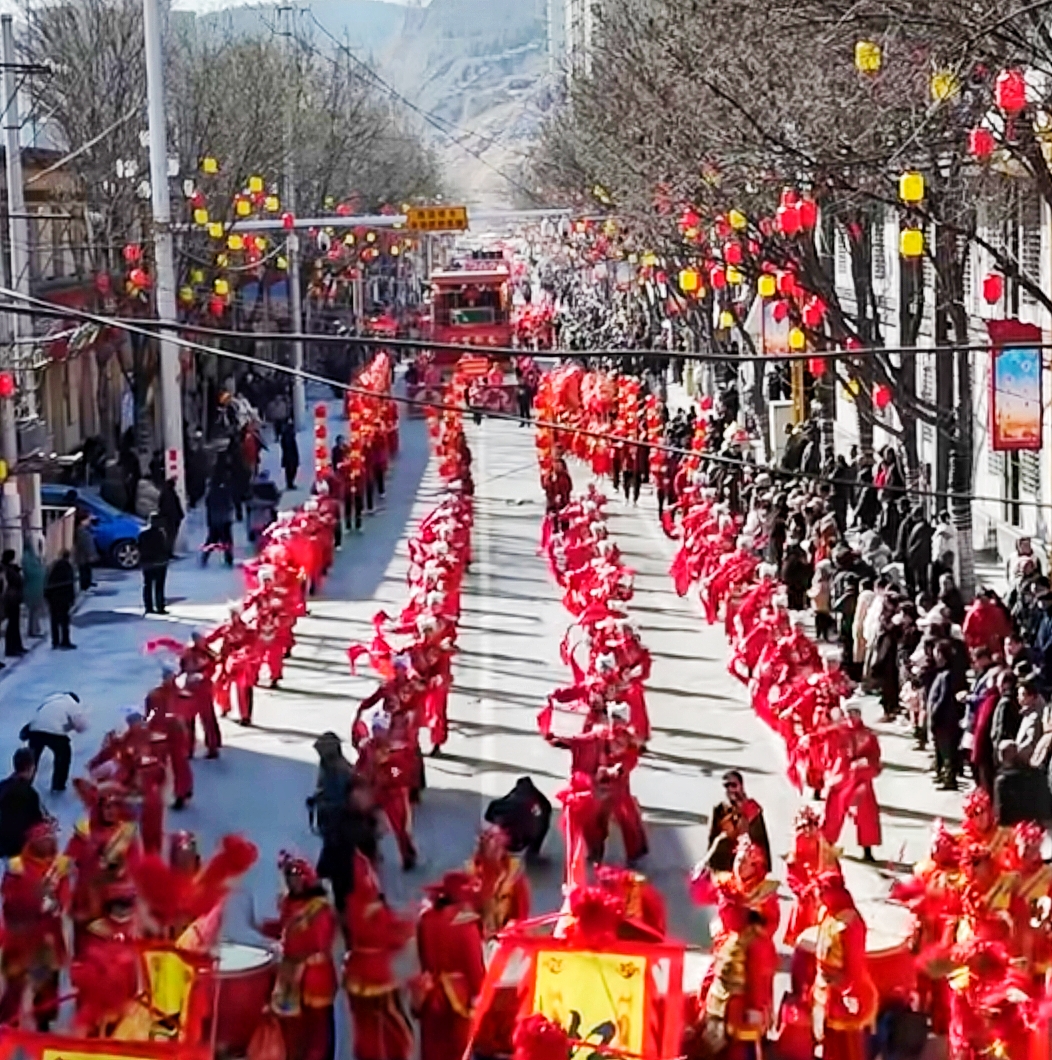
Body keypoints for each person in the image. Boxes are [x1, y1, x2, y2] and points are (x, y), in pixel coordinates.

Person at [256, 852, 339, 1060]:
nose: (291, 882)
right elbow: (285, 927)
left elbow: (319, 943)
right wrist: (264, 927)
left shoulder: (319, 909)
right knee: (296, 1032)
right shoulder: (289, 903)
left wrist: (293, 952)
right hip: (292, 976)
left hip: (315, 978)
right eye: (288, 877)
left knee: (318, 1032)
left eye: (295, 877)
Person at [0, 821, 70, 1031]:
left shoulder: (59, 867)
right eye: (42, 840)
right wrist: (35, 902)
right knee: (16, 982)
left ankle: (44, 1020)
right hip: (22, 935)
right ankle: (8, 1022)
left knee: (46, 982)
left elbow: (65, 893)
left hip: (47, 936)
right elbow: (9, 898)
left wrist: (58, 904)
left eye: (51, 839)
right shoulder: (17, 868)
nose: (48, 843)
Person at [413, 871, 485, 1060]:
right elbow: (474, 969)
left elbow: (423, 959)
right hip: (457, 1000)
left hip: (430, 996)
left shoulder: (426, 920)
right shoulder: (466, 926)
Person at [316, 775, 378, 917]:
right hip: (346, 884)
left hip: (361, 888)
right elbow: (330, 849)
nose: (366, 799)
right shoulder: (342, 821)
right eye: (361, 794)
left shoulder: (368, 820)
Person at [705, 769, 771, 873]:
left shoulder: (753, 809)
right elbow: (712, 839)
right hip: (724, 867)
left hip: (748, 866)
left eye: (734, 785)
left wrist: (764, 866)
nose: (731, 789)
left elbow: (762, 840)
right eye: (727, 786)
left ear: (741, 786)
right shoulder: (720, 810)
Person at [21, 691, 88, 793]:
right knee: (63, 755)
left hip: (35, 730)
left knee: (32, 759)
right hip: (55, 732)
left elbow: (38, 714)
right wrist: (69, 726)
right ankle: (58, 786)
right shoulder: (72, 704)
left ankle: (23, 784)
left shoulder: (50, 699)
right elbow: (81, 727)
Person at [0, 749, 45, 858]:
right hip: (18, 847)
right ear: (32, 767)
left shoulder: (2, 786)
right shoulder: (30, 793)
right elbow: (37, 824)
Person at [43, 550, 76, 650]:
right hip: (63, 598)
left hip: (53, 598)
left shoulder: (53, 568)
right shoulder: (68, 568)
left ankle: (55, 641)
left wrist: (47, 597)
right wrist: (72, 599)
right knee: (64, 621)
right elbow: (70, 584)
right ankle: (65, 641)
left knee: (54, 620)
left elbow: (48, 583)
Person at [139, 514, 169, 615]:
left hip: (147, 563)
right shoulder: (161, 534)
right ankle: (160, 607)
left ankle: (148, 607)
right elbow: (165, 548)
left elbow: (139, 548)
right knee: (159, 586)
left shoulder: (143, 534)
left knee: (147, 585)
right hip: (160, 563)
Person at [204, 474, 236, 566]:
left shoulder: (211, 494)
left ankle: (204, 558)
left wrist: (209, 522)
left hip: (214, 520)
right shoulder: (226, 492)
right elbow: (230, 505)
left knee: (211, 540)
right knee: (227, 541)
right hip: (225, 520)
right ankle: (229, 559)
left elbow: (208, 507)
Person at [2, 548, 25, 657]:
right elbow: (15, 582)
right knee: (12, 625)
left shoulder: (10, 568)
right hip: (10, 600)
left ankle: (17, 646)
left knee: (15, 624)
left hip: (14, 598)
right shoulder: (6, 570)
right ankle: (11, 649)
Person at [21, 539, 45, 639]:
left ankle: (36, 628)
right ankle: (33, 630)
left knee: (36, 610)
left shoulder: (32, 557)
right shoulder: (27, 558)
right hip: (33, 588)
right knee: (34, 610)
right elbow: (30, 571)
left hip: (36, 587)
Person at [157, 477, 185, 558]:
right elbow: (173, 506)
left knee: (170, 536)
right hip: (171, 518)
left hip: (170, 518)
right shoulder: (169, 493)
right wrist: (179, 515)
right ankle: (168, 553)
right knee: (171, 536)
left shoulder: (165, 493)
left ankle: (168, 552)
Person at [73, 513, 98, 592]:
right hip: (83, 555)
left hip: (85, 555)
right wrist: (91, 554)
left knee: (87, 569)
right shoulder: (81, 531)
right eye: (87, 520)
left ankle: (87, 583)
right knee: (83, 569)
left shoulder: (85, 529)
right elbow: (85, 544)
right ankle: (84, 585)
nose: (89, 522)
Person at [280, 420, 300, 490]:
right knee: (291, 470)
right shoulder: (288, 436)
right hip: (290, 456)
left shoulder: (287, 435)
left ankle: (290, 483)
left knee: (290, 470)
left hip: (289, 456)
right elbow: (289, 447)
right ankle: (290, 483)